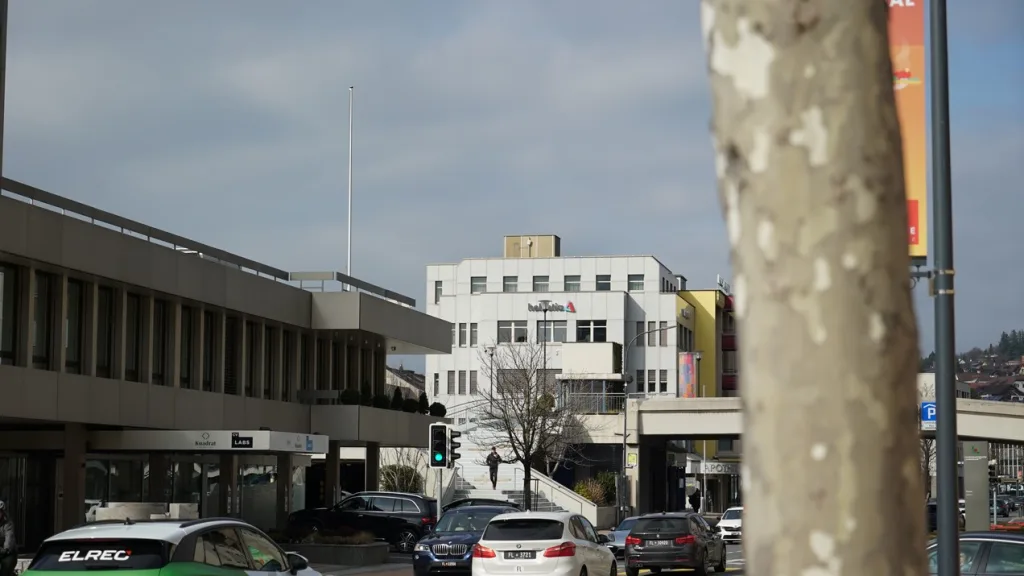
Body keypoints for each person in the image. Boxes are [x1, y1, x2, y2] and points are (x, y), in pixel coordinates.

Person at [0, 501, 16, 576]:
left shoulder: (8, 523)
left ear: (2, 512)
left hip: (7, 553)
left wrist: (6, 549)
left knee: (5, 570)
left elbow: (9, 536)